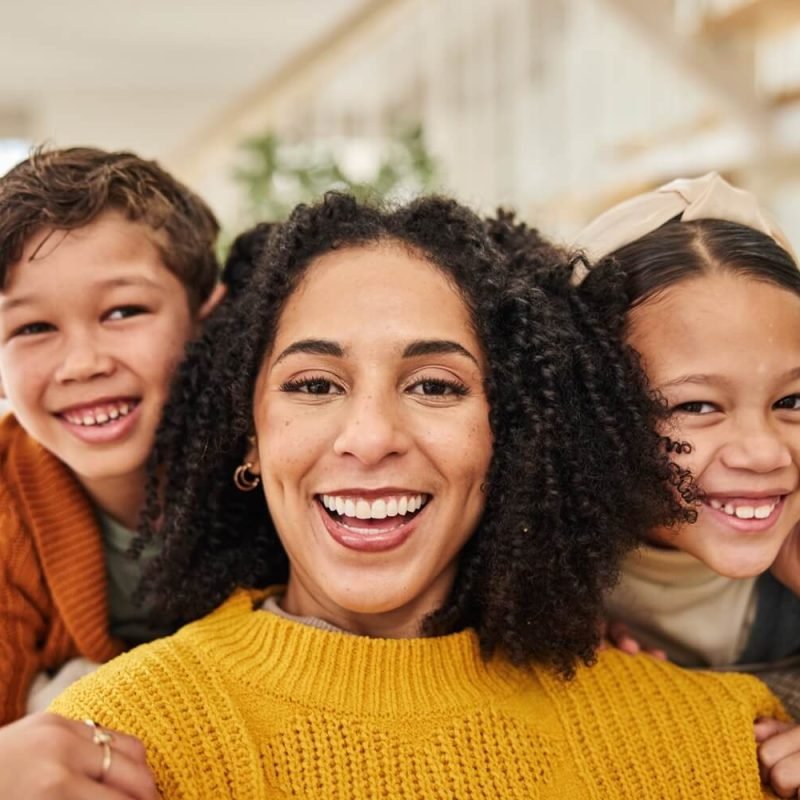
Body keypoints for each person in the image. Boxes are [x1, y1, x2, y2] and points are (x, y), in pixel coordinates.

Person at [53, 193, 789, 799]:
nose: (371, 438)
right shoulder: (115, 742)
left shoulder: (720, 740)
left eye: (435, 385)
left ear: (513, 433)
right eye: (315, 385)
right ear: (250, 434)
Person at [0, 146, 222, 797]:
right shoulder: (7, 500)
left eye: (123, 312)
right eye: (33, 327)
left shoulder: (279, 467)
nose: (82, 363)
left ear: (209, 323)